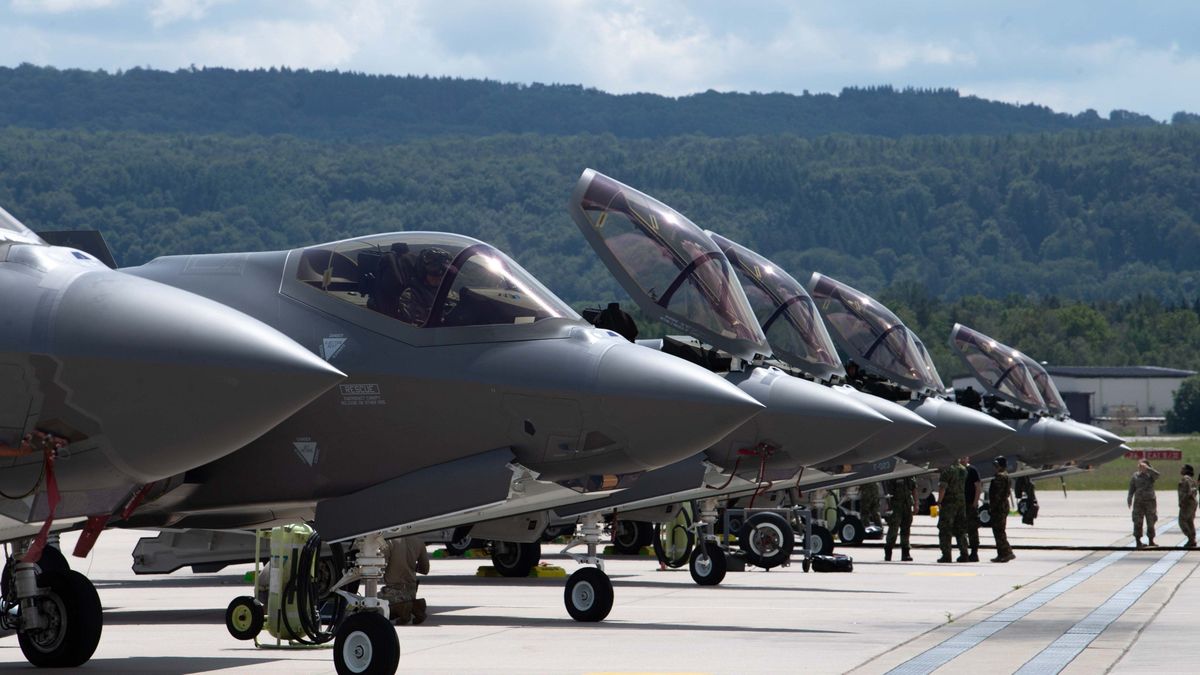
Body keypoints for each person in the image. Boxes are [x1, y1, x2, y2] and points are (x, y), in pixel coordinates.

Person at [396, 247, 453, 326]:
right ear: (423, 272)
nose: (440, 276)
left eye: (444, 273)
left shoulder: (448, 292)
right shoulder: (411, 297)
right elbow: (416, 329)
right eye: (434, 273)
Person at [381, 536, 431, 625]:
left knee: (369, 607)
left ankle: (401, 607)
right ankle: (415, 606)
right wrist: (410, 566)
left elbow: (381, 566)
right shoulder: (419, 540)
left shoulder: (389, 541)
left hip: (394, 591)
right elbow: (425, 569)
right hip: (411, 590)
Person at [936, 460, 970, 563]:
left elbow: (943, 487)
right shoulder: (964, 470)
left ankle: (946, 555)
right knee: (960, 529)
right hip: (961, 502)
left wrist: (939, 501)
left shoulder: (947, 470)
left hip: (949, 503)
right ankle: (964, 554)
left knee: (945, 529)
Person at [1127, 459, 1160, 547]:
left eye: (1142, 466)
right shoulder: (1135, 476)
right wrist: (1129, 498)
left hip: (1150, 502)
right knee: (1137, 521)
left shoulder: (1150, 475)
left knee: (1151, 521)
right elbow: (1132, 488)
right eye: (1139, 465)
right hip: (1138, 502)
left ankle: (1151, 540)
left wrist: (1148, 469)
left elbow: (1157, 475)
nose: (1140, 467)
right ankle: (1138, 541)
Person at [884, 475, 917, 561]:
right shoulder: (895, 474)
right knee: (893, 529)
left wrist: (916, 504)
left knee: (906, 529)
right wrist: (888, 506)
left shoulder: (910, 474)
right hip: (896, 506)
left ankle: (906, 553)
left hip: (907, 505)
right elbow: (887, 492)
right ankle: (888, 551)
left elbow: (914, 489)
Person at [988, 456, 1015, 562]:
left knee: (998, 531)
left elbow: (997, 494)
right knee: (1000, 531)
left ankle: (1005, 553)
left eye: (996, 465)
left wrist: (993, 507)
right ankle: (1005, 552)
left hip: (999, 507)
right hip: (1003, 505)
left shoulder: (999, 477)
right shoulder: (1006, 476)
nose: (995, 467)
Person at [961, 457, 982, 562]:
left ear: (968, 458)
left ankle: (974, 553)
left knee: (972, 529)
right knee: (961, 529)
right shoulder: (958, 470)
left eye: (964, 457)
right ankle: (964, 553)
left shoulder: (972, 470)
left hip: (970, 504)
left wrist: (975, 502)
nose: (962, 459)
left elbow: (978, 487)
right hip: (960, 504)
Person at [1179, 464, 1197, 548]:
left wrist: (1183, 501)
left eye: (1182, 468)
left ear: (1186, 470)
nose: (1181, 470)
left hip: (1187, 503)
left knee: (1182, 521)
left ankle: (1190, 539)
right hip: (1192, 502)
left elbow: (1189, 492)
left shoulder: (1185, 479)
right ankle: (1192, 539)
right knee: (1190, 521)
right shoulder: (1191, 479)